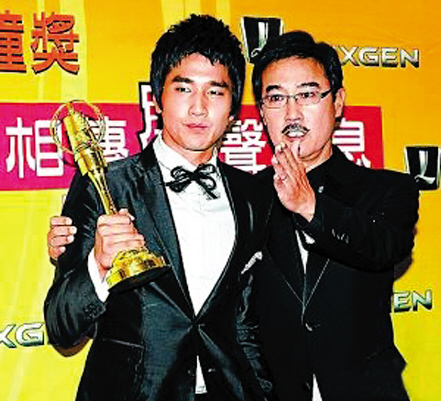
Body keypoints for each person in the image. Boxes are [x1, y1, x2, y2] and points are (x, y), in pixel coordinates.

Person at [44, 14, 274, 401]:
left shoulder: (253, 195)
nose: (199, 108)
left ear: (233, 110)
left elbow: (246, 322)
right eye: (183, 89)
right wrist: (99, 265)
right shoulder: (106, 186)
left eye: (215, 92)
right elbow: (60, 325)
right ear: (157, 99)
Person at [242, 30, 419, 401]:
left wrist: (311, 207)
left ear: (337, 102)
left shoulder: (388, 189)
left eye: (307, 94)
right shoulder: (244, 198)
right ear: (261, 112)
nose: (292, 113)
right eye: (276, 98)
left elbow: (385, 247)